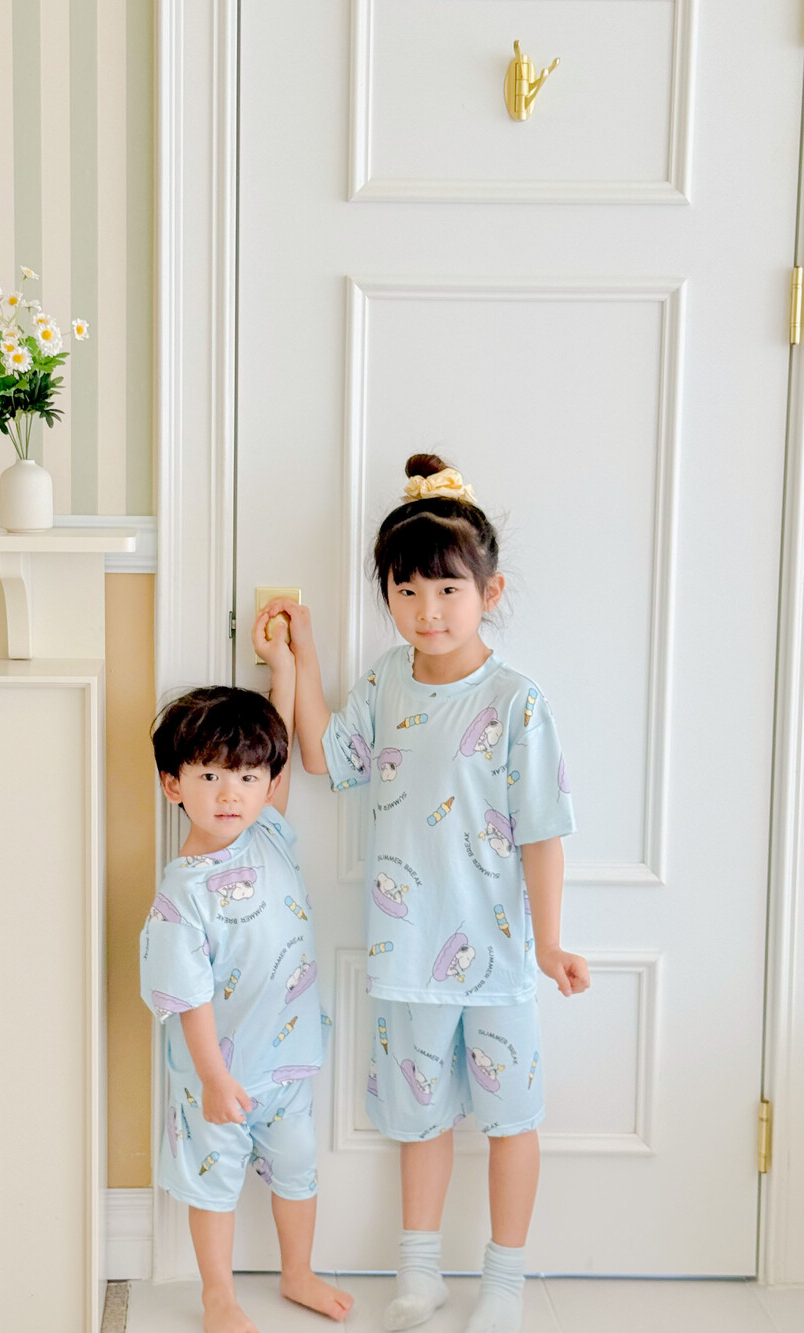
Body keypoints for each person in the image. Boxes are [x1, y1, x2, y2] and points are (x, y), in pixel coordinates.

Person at [261, 453, 589, 1333]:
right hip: (405, 955)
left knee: (510, 1120)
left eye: (446, 589)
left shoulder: (518, 703)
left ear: (490, 590)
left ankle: (505, 1281)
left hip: (499, 960)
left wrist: (551, 941)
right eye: (406, 591)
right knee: (419, 1118)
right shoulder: (385, 683)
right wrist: (303, 653)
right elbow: (327, 758)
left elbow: (544, 832)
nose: (427, 609)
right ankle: (420, 1273)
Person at [139, 612, 353, 1333]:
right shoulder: (182, 895)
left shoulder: (267, 832)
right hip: (217, 1076)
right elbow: (188, 999)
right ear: (174, 785)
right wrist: (212, 1078)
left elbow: (278, 748)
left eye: (246, 776)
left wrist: (282, 668)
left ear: (267, 783)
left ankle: (298, 1272)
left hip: (286, 1064)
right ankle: (218, 1296)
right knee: (214, 1187)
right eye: (210, 775)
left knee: (299, 1171)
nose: (230, 792)